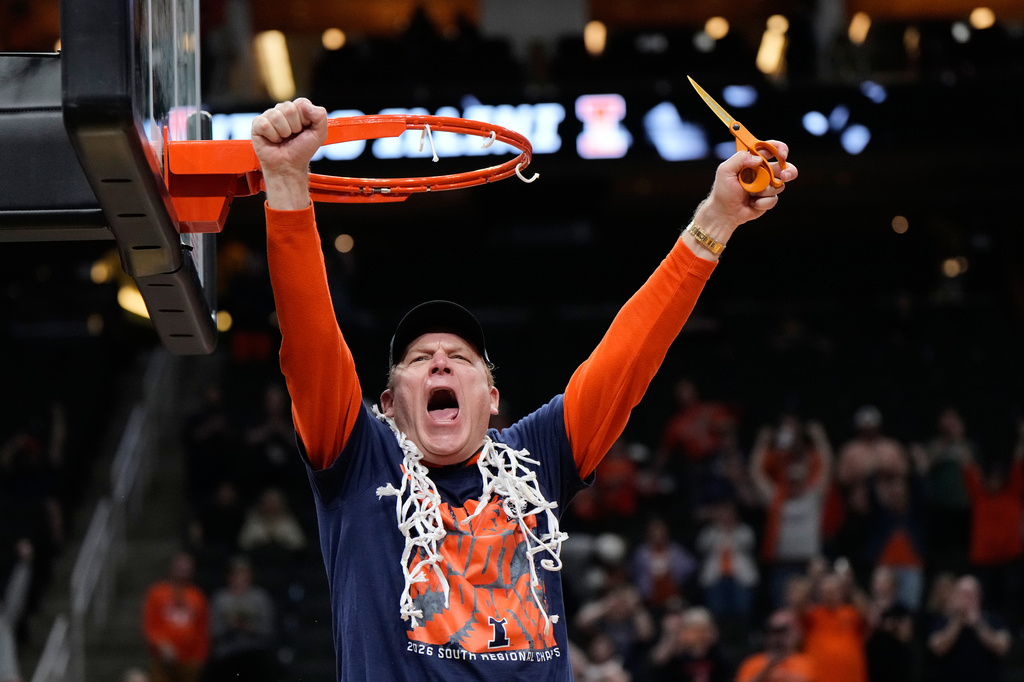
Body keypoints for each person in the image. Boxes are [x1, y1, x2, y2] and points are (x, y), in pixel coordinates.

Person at [250, 97, 797, 679]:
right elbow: (309, 346)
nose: (440, 364)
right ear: (387, 405)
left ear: (491, 398)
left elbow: (627, 358)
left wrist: (715, 219)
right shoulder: (360, 458)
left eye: (461, 358)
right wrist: (286, 184)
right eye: (419, 360)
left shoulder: (534, 457)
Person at [926, 575, 1012, 682]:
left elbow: (1003, 647)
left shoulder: (993, 620)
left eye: (971, 594)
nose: (967, 599)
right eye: (963, 594)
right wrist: (958, 622)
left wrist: (978, 624)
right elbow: (936, 648)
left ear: (979, 596)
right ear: (955, 596)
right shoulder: (943, 621)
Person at [141, 551, 210, 682]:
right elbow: (149, 626)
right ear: (172, 567)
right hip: (162, 660)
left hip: (190, 662)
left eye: (186, 568)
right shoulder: (157, 593)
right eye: (180, 567)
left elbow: (202, 629)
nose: (183, 571)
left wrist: (201, 657)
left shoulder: (198, 596)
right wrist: (160, 645)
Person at [207, 557, 277, 682]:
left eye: (244, 574)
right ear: (229, 576)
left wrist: (248, 627)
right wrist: (231, 627)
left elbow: (268, 630)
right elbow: (214, 631)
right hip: (228, 654)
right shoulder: (220, 598)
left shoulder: (260, 597)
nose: (240, 578)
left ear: (250, 575)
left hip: (255, 653)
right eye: (236, 574)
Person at [735, 609, 816, 682]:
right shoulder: (752, 664)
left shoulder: (809, 664)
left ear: (796, 633)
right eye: (773, 631)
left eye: (783, 631)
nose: (778, 637)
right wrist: (767, 668)